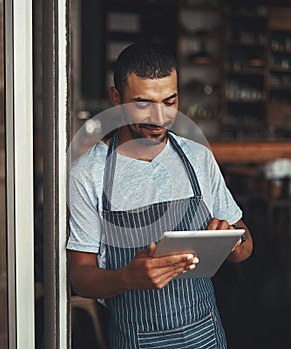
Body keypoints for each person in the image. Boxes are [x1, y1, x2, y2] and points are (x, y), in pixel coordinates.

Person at [67, 43, 253, 348]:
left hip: (205, 333)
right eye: (143, 104)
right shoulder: (89, 172)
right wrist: (127, 278)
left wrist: (233, 240)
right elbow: (81, 277)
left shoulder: (197, 158)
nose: (159, 117)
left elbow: (245, 246)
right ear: (116, 100)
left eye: (170, 101)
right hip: (135, 340)